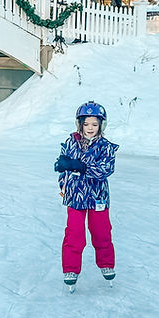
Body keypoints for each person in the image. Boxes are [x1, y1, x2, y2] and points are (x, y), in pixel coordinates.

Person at [53, 101, 118, 291]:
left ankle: (106, 263)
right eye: (86, 124)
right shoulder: (70, 142)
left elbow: (106, 170)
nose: (90, 128)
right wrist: (63, 179)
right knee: (74, 234)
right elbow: (63, 167)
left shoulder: (106, 147)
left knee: (101, 232)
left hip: (98, 197)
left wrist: (81, 167)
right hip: (75, 196)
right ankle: (71, 269)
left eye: (95, 124)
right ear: (79, 124)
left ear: (101, 126)